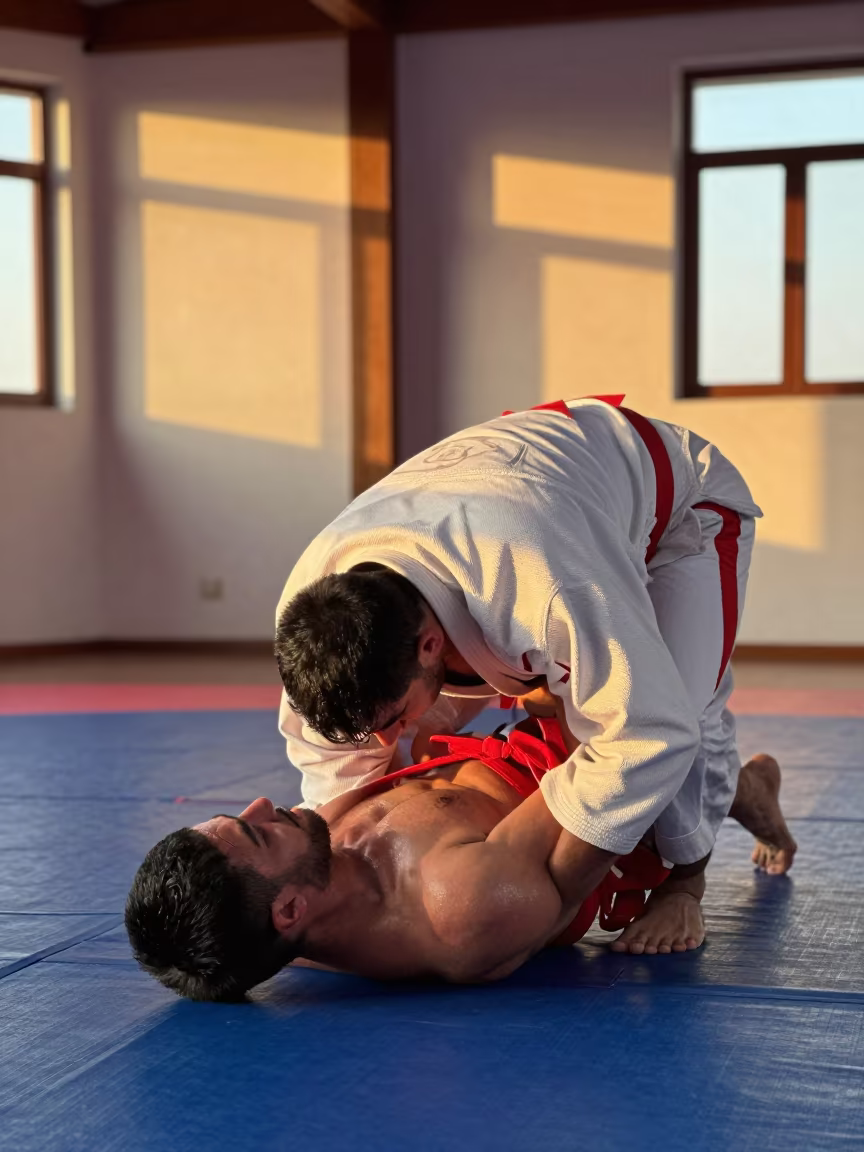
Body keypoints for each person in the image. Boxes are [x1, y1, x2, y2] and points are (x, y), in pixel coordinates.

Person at [273, 396, 796, 952]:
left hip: (678, 515)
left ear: (430, 645)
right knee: (424, 730)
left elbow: (655, 730)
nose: (384, 740)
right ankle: (746, 789)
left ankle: (687, 884)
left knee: (678, 704)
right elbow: (333, 761)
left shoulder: (540, 585)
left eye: (391, 719)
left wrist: (559, 891)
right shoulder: (315, 606)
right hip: (528, 504)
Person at [125, 713, 796, 1001]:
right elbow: (618, 769)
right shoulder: (458, 905)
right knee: (672, 732)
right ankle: (695, 873)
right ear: (291, 909)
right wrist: (551, 683)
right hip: (591, 795)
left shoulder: (276, 914)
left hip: (488, 750)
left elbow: (204, 951)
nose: (260, 805)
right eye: (256, 834)